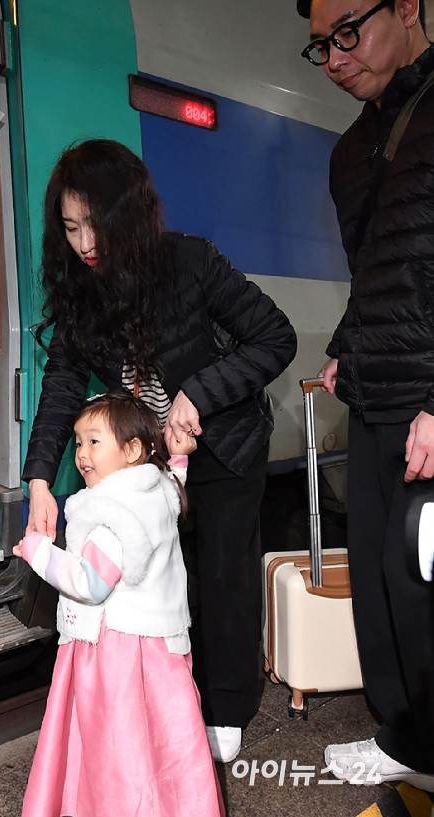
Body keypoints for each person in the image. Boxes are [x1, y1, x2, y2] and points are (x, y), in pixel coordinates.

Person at [21, 139, 297, 763]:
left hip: (224, 447)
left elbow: (275, 336)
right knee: (169, 579)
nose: (85, 244)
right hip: (152, 467)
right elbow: (63, 386)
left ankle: (228, 707)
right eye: (70, 228)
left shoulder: (191, 263)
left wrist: (198, 393)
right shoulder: (80, 292)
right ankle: (177, 698)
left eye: (96, 226)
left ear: (130, 218)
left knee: (224, 574)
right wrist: (40, 480)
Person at [297, 0, 434, 790]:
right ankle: (407, 738)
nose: (337, 55)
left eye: (348, 30)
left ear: (408, 5)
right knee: (382, 576)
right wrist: (346, 348)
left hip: (428, 398)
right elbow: (372, 271)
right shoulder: (348, 152)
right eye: (321, 46)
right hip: (379, 390)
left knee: (423, 584)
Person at [15, 392, 225, 816]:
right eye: (77, 442)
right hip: (162, 647)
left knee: (116, 745)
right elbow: (174, 484)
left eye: (94, 442)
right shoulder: (158, 487)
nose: (82, 454)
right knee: (165, 739)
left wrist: (39, 552)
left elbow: (90, 583)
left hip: (115, 655)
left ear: (131, 450)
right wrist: (179, 459)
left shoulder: (112, 513)